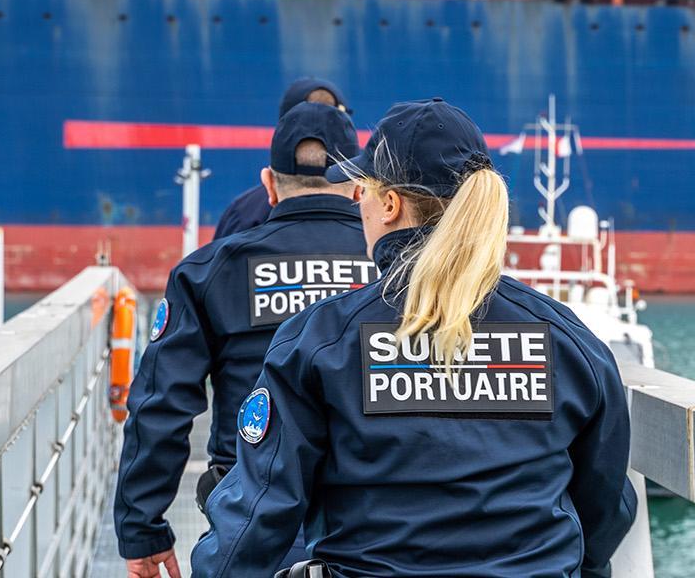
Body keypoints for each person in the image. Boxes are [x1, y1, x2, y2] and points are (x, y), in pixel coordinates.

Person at [192, 98, 638, 578]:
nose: (355, 201)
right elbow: (606, 506)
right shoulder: (569, 342)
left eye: (361, 189)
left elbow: (257, 518)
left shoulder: (321, 341)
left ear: (389, 204)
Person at [115, 102, 377, 578]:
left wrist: (143, 530)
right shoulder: (401, 271)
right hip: (377, 529)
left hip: (249, 526)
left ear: (269, 185)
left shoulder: (209, 272)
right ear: (358, 186)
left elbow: (162, 405)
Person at [214, 78, 354, 241]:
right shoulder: (377, 213)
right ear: (358, 189)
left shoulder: (245, 210)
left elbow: (219, 259)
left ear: (269, 183)